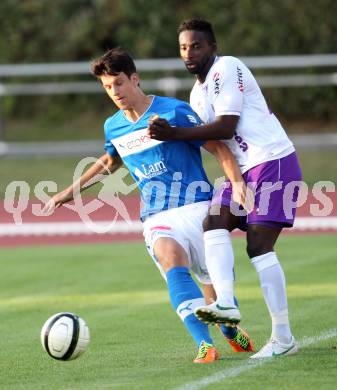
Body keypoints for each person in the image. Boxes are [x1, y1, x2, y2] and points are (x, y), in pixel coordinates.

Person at [43, 48, 253, 363]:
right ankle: (204, 345)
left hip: (199, 211)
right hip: (157, 217)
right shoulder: (113, 126)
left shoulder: (174, 112)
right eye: (107, 87)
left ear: (135, 79)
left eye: (119, 83)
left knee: (216, 295)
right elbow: (110, 162)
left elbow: (218, 148)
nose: (114, 92)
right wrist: (69, 192)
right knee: (171, 261)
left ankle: (226, 329)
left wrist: (237, 185)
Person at [148, 19, 302, 358]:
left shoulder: (228, 67)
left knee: (259, 246)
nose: (189, 53)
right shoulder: (196, 92)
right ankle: (226, 304)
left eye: (197, 46)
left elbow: (225, 126)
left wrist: (173, 132)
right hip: (245, 171)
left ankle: (283, 338)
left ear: (213, 47)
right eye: (184, 48)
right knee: (213, 223)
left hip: (272, 160)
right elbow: (211, 139)